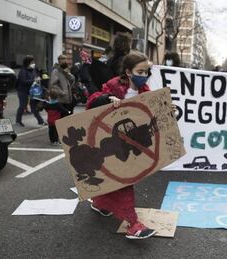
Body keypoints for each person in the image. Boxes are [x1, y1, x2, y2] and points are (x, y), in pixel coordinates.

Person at [86, 51, 157, 239]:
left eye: (146, 72)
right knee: (124, 182)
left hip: (132, 143)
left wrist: (167, 110)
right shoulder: (113, 86)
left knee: (120, 180)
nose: (144, 76)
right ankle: (133, 224)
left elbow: (151, 114)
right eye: (140, 72)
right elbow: (92, 100)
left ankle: (99, 202)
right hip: (113, 140)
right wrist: (107, 99)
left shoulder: (145, 91)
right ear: (128, 71)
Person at [15, 56, 46, 127]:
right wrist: (34, 80)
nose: (34, 64)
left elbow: (36, 76)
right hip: (23, 91)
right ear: (27, 63)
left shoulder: (33, 70)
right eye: (32, 62)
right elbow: (23, 81)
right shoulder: (22, 71)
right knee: (22, 106)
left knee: (34, 107)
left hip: (32, 92)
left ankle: (40, 121)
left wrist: (38, 78)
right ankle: (18, 121)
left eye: (33, 62)